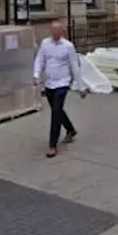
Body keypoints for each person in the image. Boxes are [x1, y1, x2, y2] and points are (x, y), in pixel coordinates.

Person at [32, 20, 86, 158]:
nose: (55, 33)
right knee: (57, 109)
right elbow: (40, 60)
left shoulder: (68, 46)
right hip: (49, 83)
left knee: (56, 112)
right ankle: (71, 130)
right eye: (53, 31)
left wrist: (80, 87)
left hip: (63, 82)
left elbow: (75, 66)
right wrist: (36, 74)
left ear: (62, 32)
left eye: (58, 31)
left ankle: (52, 145)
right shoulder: (45, 44)